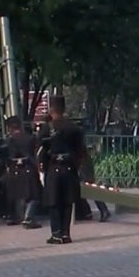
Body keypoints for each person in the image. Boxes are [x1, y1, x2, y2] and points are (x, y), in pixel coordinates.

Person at [37, 95, 87, 244]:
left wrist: (42, 166)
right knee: (67, 201)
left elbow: (40, 151)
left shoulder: (46, 128)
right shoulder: (74, 128)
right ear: (64, 109)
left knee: (54, 202)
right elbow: (81, 151)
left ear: (51, 110)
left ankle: (56, 233)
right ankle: (66, 233)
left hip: (53, 168)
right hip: (70, 168)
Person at [3, 116, 42, 228]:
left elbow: (5, 157)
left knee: (18, 195)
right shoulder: (30, 138)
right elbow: (34, 154)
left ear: (9, 127)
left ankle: (19, 216)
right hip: (28, 168)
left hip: (14, 170)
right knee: (34, 195)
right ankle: (28, 217)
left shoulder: (8, 141)